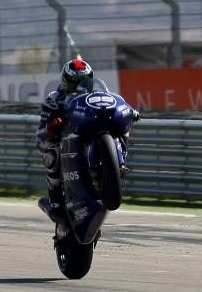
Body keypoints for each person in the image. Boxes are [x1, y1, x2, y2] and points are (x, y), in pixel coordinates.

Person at [35, 57, 139, 221]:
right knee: (51, 153)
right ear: (65, 81)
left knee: (120, 127)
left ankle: (117, 164)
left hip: (92, 127)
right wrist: (52, 126)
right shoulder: (54, 98)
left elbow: (122, 106)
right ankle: (55, 199)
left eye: (84, 80)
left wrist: (130, 111)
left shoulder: (103, 96)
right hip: (66, 137)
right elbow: (42, 128)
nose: (80, 85)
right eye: (75, 82)